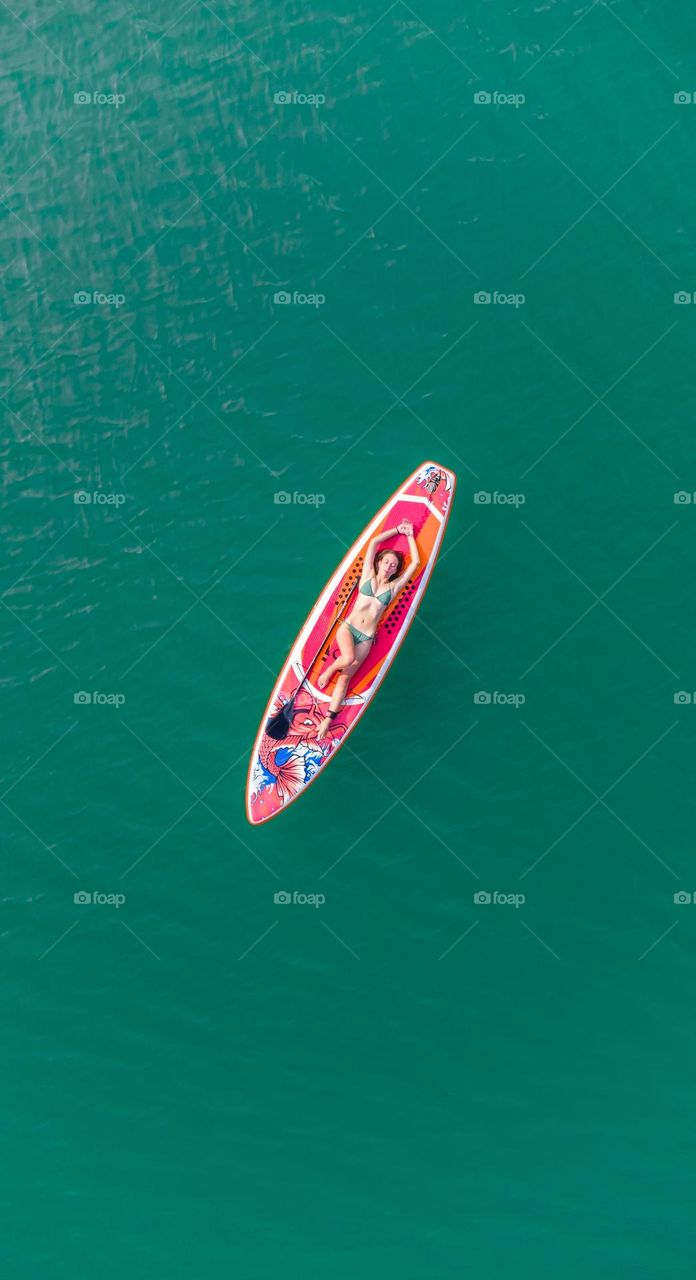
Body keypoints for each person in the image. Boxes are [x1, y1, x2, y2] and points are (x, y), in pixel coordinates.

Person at [316, 520, 420, 739]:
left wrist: (410, 536)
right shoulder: (367, 576)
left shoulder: (393, 587)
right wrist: (398, 530)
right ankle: (329, 669)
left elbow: (416, 563)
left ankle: (326, 721)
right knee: (348, 658)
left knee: (345, 680)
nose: (390, 566)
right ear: (379, 563)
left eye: (393, 565)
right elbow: (373, 542)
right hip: (349, 627)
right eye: (387, 562)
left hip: (366, 637)